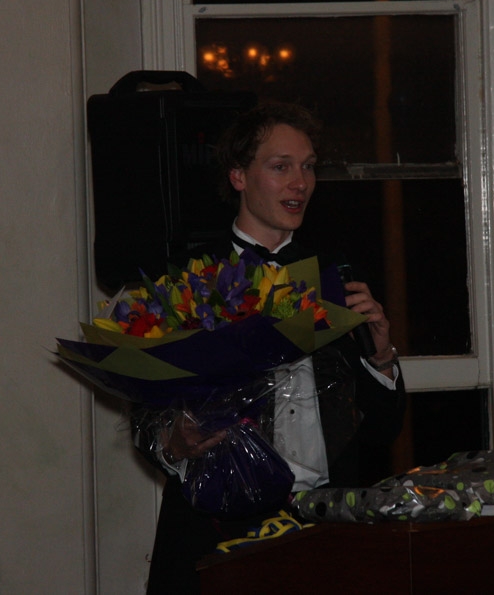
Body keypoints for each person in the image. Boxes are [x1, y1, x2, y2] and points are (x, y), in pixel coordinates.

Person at [140, 102, 406, 594]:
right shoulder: (189, 280)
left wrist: (381, 358)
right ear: (239, 175)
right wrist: (176, 441)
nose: (300, 183)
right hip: (220, 531)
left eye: (308, 167)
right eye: (281, 167)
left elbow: (383, 430)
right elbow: (146, 417)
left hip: (327, 529)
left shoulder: (336, 275)